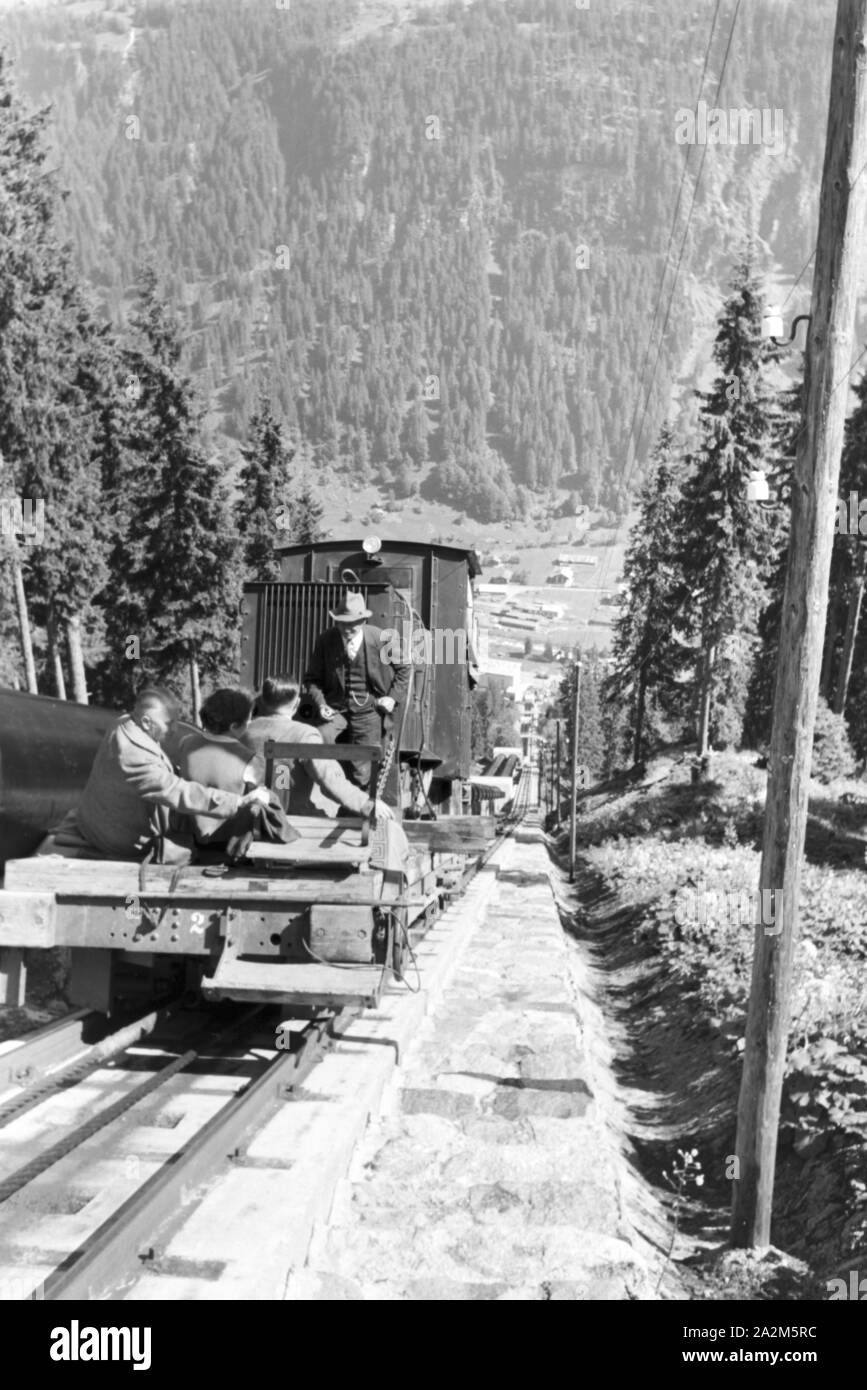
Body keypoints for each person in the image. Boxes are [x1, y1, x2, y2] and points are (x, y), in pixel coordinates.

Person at [46, 687, 270, 861]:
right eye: (169, 723)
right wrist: (238, 801)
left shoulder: (124, 723)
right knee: (185, 854)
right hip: (118, 840)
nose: (174, 730)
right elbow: (176, 790)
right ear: (145, 721)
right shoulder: (133, 757)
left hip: (97, 819)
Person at [243, 674, 393, 821]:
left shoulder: (244, 732)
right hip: (290, 819)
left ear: (262, 701)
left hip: (248, 817)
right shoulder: (305, 734)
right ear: (297, 704)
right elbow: (330, 779)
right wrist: (366, 803)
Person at [304, 591, 411, 792]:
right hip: (336, 710)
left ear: (363, 620)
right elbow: (312, 680)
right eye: (342, 623)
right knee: (317, 739)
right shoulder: (326, 641)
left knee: (361, 769)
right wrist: (322, 704)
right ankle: (327, 791)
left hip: (369, 711)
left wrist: (392, 697)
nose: (346, 628)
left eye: (352, 623)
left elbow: (404, 668)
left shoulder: (381, 639)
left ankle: (355, 812)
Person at [172, 688, 267, 850]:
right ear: (234, 726)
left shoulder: (186, 743)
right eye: (248, 720)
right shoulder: (250, 760)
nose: (250, 723)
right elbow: (262, 799)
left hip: (187, 839)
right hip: (228, 843)